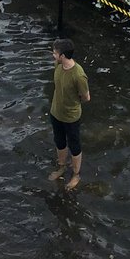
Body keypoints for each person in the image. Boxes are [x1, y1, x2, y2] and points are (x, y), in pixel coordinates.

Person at [48, 38, 91, 191]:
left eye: (55, 53)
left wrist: (73, 102)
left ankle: (76, 174)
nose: (53, 55)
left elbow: (86, 97)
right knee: (59, 141)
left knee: (74, 145)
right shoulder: (58, 65)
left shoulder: (78, 75)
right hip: (56, 112)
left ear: (63, 56)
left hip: (71, 117)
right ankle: (61, 167)